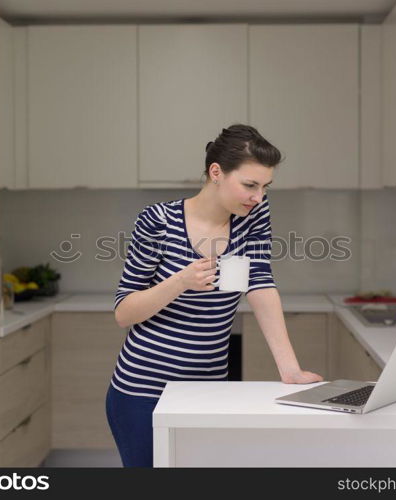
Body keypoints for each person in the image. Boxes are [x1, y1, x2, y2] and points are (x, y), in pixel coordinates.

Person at [105, 124, 323, 467]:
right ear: (216, 172)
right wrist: (179, 282)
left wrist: (290, 369)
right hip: (143, 392)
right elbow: (124, 312)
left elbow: (260, 283)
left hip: (209, 389)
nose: (258, 196)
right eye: (250, 185)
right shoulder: (158, 221)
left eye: (265, 186)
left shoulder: (252, 217)